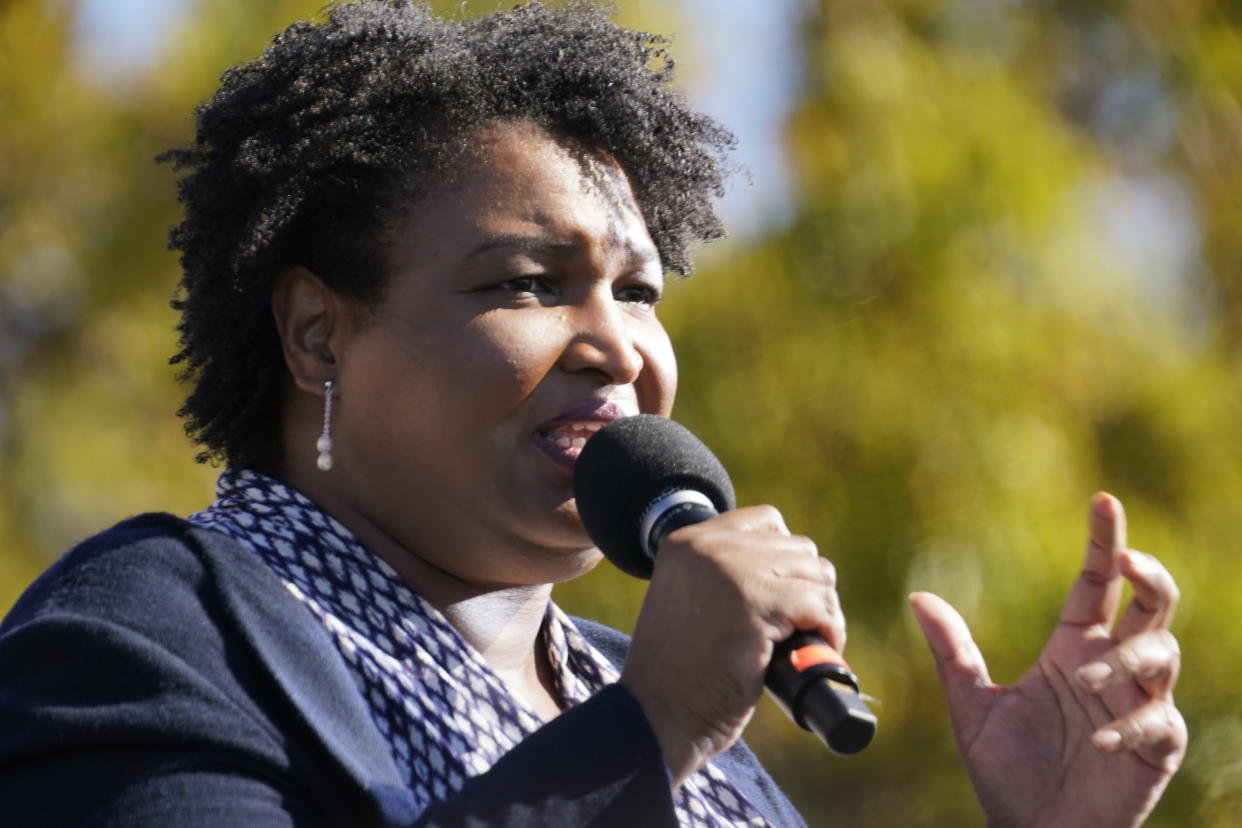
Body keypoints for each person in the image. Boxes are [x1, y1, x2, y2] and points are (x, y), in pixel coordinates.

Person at [0, 2, 1185, 825]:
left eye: (638, 291)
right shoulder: (147, 639)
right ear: (318, 333)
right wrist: (649, 731)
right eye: (525, 283)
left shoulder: (638, 693)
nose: (616, 343)